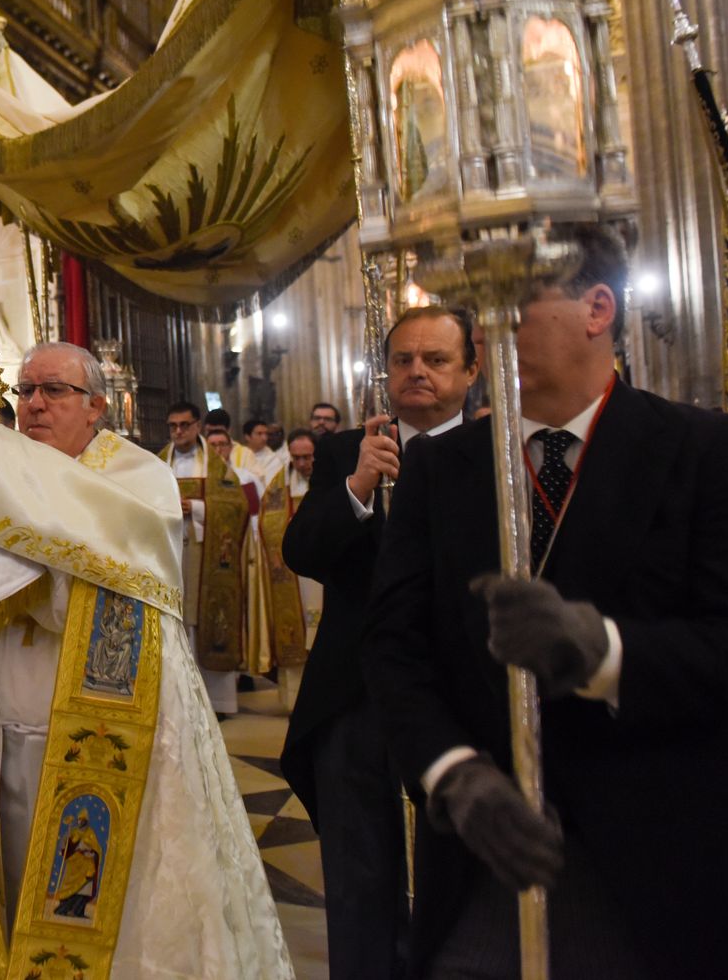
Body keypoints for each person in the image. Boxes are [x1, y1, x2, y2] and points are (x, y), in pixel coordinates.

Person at [364, 224, 728, 977]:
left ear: (597, 309)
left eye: (515, 299)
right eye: (480, 308)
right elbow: (394, 647)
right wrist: (452, 772)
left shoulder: (707, 450)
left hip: (658, 863)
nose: (490, 327)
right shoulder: (441, 470)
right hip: (483, 864)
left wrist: (604, 652)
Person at [0, 341, 292, 978]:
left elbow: (111, 599)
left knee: (101, 910)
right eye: (26, 391)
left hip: (96, 744)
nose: (35, 404)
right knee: (0, 900)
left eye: (54, 390)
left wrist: (10, 562)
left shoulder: (136, 480)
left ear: (97, 406)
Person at [280, 305, 478, 980]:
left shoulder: (495, 451)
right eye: (403, 360)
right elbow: (302, 552)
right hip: (354, 693)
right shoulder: (345, 451)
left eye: (436, 359)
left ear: (471, 370)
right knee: (359, 870)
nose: (416, 371)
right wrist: (357, 485)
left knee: (461, 862)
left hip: (458, 693)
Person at [158, 400, 254, 717]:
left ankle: (217, 702)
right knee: (175, 623)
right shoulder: (158, 464)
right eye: (173, 426)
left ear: (197, 426)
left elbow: (237, 506)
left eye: (184, 425)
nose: (178, 431)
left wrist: (198, 508)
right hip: (169, 551)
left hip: (205, 552)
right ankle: (178, 703)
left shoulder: (216, 466)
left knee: (207, 622)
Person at [255, 427, 320, 711]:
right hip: (292, 576)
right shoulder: (279, 487)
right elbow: (269, 523)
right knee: (295, 633)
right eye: (296, 458)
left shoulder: (330, 479)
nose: (302, 463)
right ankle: (296, 702)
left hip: (323, 573)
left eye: (308, 457)